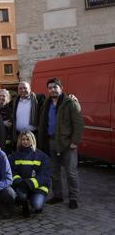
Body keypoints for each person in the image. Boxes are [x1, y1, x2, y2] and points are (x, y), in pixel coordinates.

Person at [38, 78, 84, 209]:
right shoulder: (46, 103)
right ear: (48, 90)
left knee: (70, 172)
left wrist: (75, 142)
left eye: (55, 87)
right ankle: (57, 195)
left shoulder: (71, 103)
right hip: (50, 142)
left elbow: (79, 124)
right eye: (50, 87)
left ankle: (73, 198)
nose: (52, 89)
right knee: (54, 172)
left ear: (61, 88)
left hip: (67, 143)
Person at [9, 131, 50, 217]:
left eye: (28, 139)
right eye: (23, 139)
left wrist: (29, 183)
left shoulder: (42, 156)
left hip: (38, 187)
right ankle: (24, 204)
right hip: (21, 186)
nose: (25, 141)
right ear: (20, 141)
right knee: (19, 198)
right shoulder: (14, 155)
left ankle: (34, 201)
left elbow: (44, 176)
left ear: (33, 140)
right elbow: (11, 172)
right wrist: (20, 182)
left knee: (37, 205)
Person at [12, 82, 45, 147]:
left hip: (33, 135)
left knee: (34, 155)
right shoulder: (15, 101)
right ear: (18, 90)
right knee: (21, 156)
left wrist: (70, 97)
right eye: (20, 88)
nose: (23, 90)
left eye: (25, 88)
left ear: (30, 89)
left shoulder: (38, 99)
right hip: (19, 135)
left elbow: (52, 101)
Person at [0, 89, 13, 153]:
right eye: (0, 96)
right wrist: (2, 123)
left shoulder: (11, 108)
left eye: (4, 96)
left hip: (8, 139)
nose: (1, 97)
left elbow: (11, 123)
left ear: (7, 98)